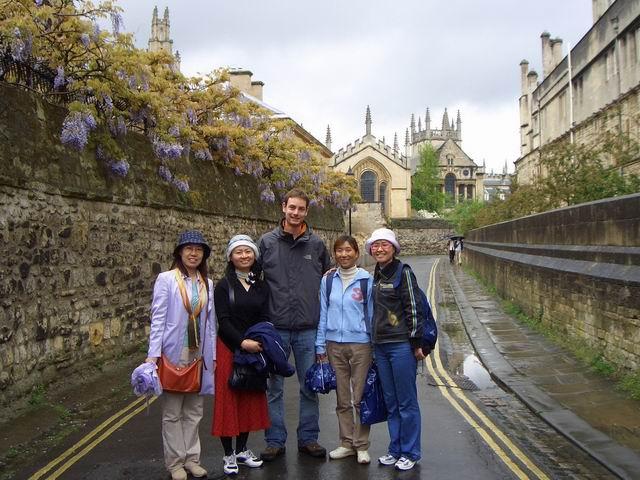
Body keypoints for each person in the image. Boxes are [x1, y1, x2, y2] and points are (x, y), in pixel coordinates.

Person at [258, 188, 331, 461]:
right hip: (276, 328)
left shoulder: (317, 245)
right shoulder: (266, 242)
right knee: (274, 388)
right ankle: (274, 440)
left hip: (307, 328)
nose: (295, 213)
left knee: (309, 386)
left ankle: (308, 438)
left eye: (301, 209)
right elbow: (253, 282)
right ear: (283, 207)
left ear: (306, 212)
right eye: (292, 207)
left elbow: (328, 282)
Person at [146, 230, 216, 480]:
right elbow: (158, 319)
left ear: (204, 254)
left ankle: (192, 459)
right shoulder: (167, 279)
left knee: (195, 411)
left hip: (199, 355)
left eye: (198, 249)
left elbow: (210, 322)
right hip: (173, 353)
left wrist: (213, 356)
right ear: (179, 252)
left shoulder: (207, 283)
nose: (193, 253)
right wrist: (153, 356)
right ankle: (175, 463)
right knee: (172, 413)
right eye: (189, 248)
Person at [365, 227, 425, 471]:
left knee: (406, 402)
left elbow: (414, 308)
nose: (379, 249)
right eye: (375, 245)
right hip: (381, 347)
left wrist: (416, 343)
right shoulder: (377, 274)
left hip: (401, 346)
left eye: (384, 245)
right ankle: (395, 449)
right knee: (391, 402)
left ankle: (410, 452)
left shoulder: (404, 272)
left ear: (394, 248)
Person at [212, 235, 271, 475]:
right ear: (231, 257)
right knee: (228, 400)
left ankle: (242, 450)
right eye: (239, 252)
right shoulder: (223, 285)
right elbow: (223, 320)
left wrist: (258, 342)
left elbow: (265, 317)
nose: (244, 256)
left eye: (248, 251)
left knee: (248, 397)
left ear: (254, 255)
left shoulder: (261, 286)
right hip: (229, 347)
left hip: (254, 348)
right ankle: (228, 454)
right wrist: (242, 342)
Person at [315, 235, 373, 464]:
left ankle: (361, 445)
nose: (344, 254)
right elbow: (323, 312)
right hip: (333, 344)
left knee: (360, 398)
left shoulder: (366, 280)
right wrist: (320, 344)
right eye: (339, 250)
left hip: (361, 344)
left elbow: (372, 314)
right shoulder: (328, 280)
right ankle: (346, 443)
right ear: (335, 254)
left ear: (357, 253)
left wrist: (373, 344)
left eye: (348, 250)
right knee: (342, 398)